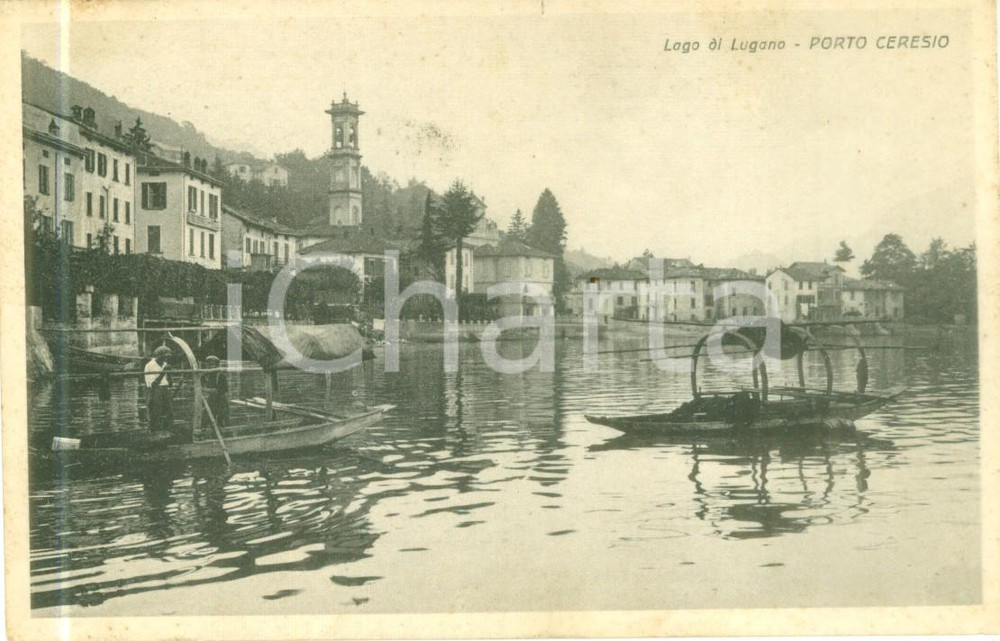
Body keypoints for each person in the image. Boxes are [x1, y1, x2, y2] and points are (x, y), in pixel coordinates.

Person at [144, 346, 174, 435]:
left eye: (167, 357)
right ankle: (153, 432)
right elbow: (153, 384)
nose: (166, 359)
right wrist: (163, 372)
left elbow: (170, 383)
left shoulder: (164, 364)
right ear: (158, 356)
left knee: (169, 412)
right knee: (154, 412)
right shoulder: (150, 365)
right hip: (154, 391)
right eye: (164, 357)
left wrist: (169, 374)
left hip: (165, 390)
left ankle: (169, 431)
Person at [201, 355, 229, 429]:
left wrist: (203, 389)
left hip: (221, 400)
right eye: (208, 364)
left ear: (217, 365)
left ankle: (228, 436)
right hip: (212, 399)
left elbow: (219, 391)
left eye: (212, 364)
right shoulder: (207, 375)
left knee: (223, 420)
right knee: (206, 417)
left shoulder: (221, 376)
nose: (210, 367)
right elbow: (201, 382)